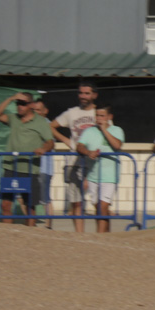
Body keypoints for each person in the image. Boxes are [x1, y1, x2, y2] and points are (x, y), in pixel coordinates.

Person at [0, 92, 54, 227]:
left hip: (30, 169)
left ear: (31, 105)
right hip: (11, 167)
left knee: (30, 206)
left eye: (23, 103)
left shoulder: (41, 122)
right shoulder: (13, 118)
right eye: (17, 103)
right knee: (5, 204)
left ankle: (29, 237)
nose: (19, 106)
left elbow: (50, 142)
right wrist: (10, 98)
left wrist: (43, 148)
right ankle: (7, 235)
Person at [51, 82, 100, 233]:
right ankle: (80, 236)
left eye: (87, 93)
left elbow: (108, 133)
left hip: (94, 162)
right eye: (81, 93)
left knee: (98, 203)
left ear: (94, 95)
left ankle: (103, 236)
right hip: (74, 161)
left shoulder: (99, 113)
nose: (83, 96)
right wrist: (67, 141)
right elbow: (51, 126)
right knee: (76, 202)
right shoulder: (71, 113)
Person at [77, 104, 124, 233]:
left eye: (102, 116)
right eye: (97, 115)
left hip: (109, 176)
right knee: (99, 210)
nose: (99, 118)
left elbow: (117, 145)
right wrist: (88, 152)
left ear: (109, 117)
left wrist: (104, 130)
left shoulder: (116, 130)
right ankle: (106, 237)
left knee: (103, 208)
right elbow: (79, 146)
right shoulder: (89, 131)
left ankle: (100, 238)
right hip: (93, 175)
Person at [33, 99, 55, 228]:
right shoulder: (31, 124)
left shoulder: (47, 125)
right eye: (33, 109)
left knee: (45, 198)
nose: (35, 112)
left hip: (44, 168)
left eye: (38, 110)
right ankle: (31, 223)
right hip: (32, 167)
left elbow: (49, 143)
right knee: (23, 196)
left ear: (45, 111)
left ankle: (48, 226)